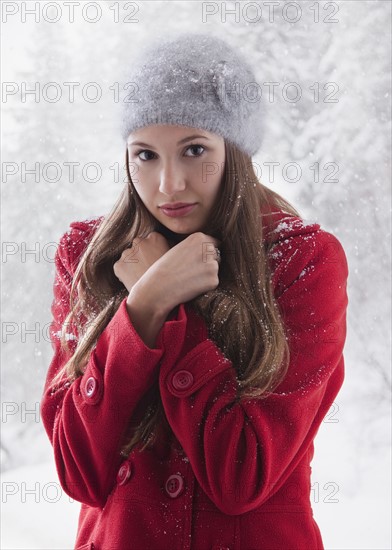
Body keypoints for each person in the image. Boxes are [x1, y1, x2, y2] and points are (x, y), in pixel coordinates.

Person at [40, 32, 349, 550]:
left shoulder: (302, 262)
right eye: (145, 155)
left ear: (236, 149)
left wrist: (176, 321)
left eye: (194, 150)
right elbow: (79, 472)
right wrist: (143, 309)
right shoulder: (88, 257)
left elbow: (241, 476)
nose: (169, 185)